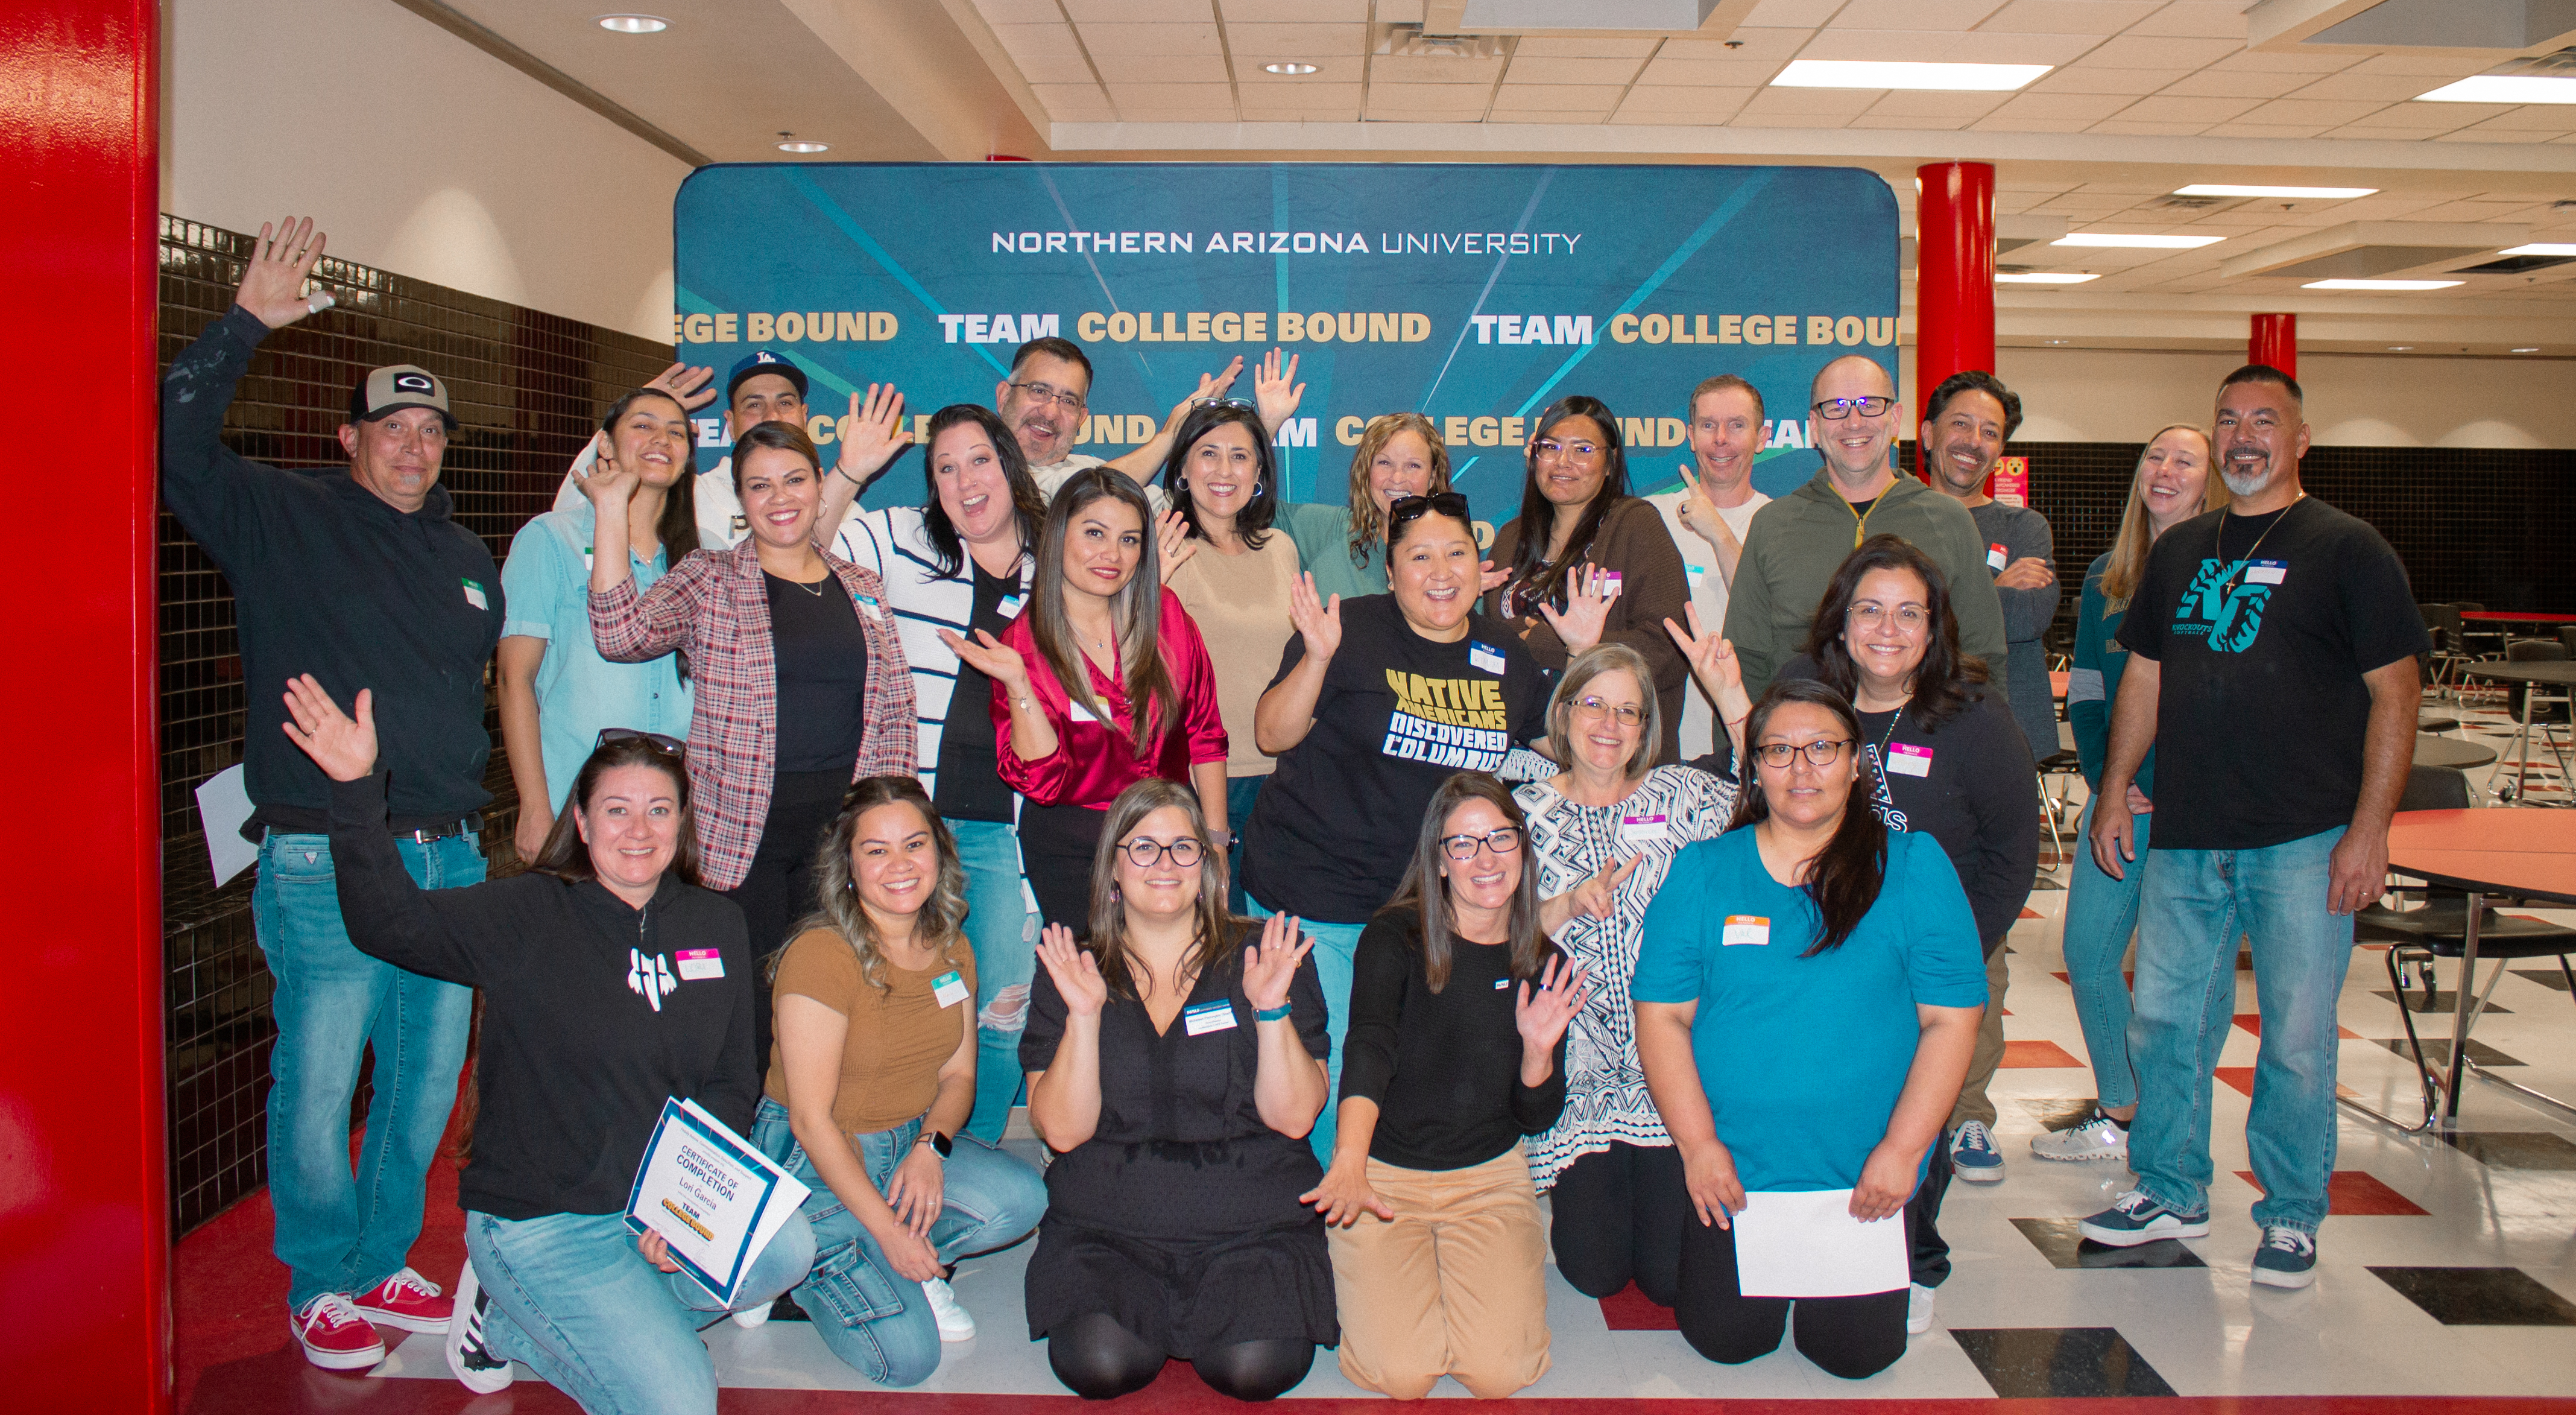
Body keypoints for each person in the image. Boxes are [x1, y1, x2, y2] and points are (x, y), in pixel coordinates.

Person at [275, 679, 812, 1412]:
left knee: (788, 1250)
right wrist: (356, 791)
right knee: (681, 1404)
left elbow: (729, 1080)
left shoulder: (717, 924)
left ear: (684, 822)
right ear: (583, 825)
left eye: (659, 810)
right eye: (616, 811)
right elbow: (387, 924)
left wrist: (681, 1203)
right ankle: (513, 1315)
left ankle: (588, 1326)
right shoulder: (529, 913)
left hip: (648, 1206)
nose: (638, 830)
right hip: (542, 1223)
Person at [160, 215, 499, 1365]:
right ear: (350, 437)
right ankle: (320, 1277)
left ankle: (383, 1259)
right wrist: (245, 321)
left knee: (422, 1080)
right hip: (321, 853)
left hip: (449, 859)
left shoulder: (465, 556)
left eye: (431, 432)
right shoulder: (282, 518)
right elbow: (175, 445)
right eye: (393, 427)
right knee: (318, 1077)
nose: (415, 447)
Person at [2083, 366, 2428, 1290]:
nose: (2242, 435)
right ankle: (2169, 1185)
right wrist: (2116, 787)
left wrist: (2370, 830)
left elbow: (2397, 692)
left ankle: (2289, 1213)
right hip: (2188, 834)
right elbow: (2146, 675)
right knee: (2165, 1024)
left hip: (2305, 837)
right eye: (2228, 419)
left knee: (2298, 1037)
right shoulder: (2183, 546)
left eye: (2263, 420)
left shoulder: (2348, 549)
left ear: (2301, 438)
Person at [1634, 680, 1986, 1379]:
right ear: (1754, 768)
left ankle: (1904, 1259)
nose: (1802, 769)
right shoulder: (1703, 872)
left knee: (1856, 1357)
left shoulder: (1914, 867)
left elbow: (1951, 1022)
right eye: (1779, 751)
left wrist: (1902, 1150)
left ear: (1856, 763)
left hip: (1861, 1177)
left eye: (1823, 748)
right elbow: (1663, 1018)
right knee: (1724, 1342)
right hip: (1735, 1175)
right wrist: (1698, 1147)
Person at [588, 420, 920, 1071]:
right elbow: (619, 635)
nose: (780, 497)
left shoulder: (860, 585)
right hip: (744, 839)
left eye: (795, 479)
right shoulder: (709, 577)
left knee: (831, 1001)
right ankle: (745, 1151)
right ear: (740, 500)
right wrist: (609, 509)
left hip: (843, 836)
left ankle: (817, 1146)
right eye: (759, 486)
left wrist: (898, 824)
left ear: (822, 487)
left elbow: (893, 713)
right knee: (747, 1011)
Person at [1769, 536, 2036, 1326]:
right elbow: (1753, 787)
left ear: (1934, 626)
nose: (1888, 628)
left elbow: (2012, 853)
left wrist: (1956, 961)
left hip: (1933, 961)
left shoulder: (1975, 717)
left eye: (1908, 612)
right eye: (1870, 609)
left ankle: (1917, 1256)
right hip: (1821, 954)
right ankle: (1818, 1235)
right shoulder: (1804, 696)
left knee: (1918, 1111)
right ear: (1840, 622)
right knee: (1824, 1100)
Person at [1241, 492, 1553, 1162]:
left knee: (1406, 1063)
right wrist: (1318, 658)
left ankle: (1378, 1193)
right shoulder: (1345, 629)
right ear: (1390, 574)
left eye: (1456, 553)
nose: (1440, 571)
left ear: (1479, 564)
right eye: (1419, 557)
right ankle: (1324, 1210)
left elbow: (1568, 739)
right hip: (1316, 894)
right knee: (1332, 1066)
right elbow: (1270, 733)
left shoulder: (1507, 657)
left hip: (1423, 914)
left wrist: (1587, 662)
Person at [1021, 779, 1336, 1401]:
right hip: (1109, 1224)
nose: (1165, 865)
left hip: (1252, 1221)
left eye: (1183, 848)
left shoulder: (1266, 954)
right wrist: (1084, 1018)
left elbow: (1296, 1118)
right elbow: (1061, 1130)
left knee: (1254, 1373)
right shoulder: (1071, 966)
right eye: (1143, 848)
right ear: (1113, 865)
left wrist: (1271, 1012)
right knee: (1101, 1368)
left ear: (1208, 865)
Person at [751, 776, 1049, 1384]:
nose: (900, 866)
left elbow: (960, 1075)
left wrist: (930, 1148)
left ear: (939, 851)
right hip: (814, 1159)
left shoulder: (950, 946)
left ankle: (853, 1252)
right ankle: (795, 1263)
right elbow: (811, 1121)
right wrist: (890, 1231)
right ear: (848, 864)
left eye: (914, 845)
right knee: (907, 1361)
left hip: (904, 1144)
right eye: (876, 850)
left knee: (1024, 1199)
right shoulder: (822, 953)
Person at [1302, 774, 1584, 1398]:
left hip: (1488, 1178)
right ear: (1439, 862)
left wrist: (1538, 1052)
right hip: (1385, 1176)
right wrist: (1349, 1163)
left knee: (1500, 1374)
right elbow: (1370, 1045)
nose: (1485, 859)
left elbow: (1536, 1117)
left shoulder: (1546, 961)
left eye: (1500, 839)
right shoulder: (1395, 937)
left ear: (1524, 848)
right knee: (1402, 1377)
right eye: (1463, 844)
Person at [817, 404, 1047, 1142]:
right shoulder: (898, 538)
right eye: (944, 468)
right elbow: (796, 548)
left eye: (978, 460)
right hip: (908, 827)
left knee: (1003, 1010)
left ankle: (961, 1164)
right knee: (891, 1003)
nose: (964, 481)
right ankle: (882, 1159)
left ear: (1010, 464)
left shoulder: (1060, 563)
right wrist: (849, 472)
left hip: (1010, 830)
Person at [1514, 643, 1744, 1309]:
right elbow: (1482, 936)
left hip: (1671, 1068)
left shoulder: (1686, 798)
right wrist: (1563, 905)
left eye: (1629, 711)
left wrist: (1730, 698)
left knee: (1670, 1279)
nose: (1609, 724)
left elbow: (1775, 794)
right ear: (1564, 714)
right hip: (1581, 1073)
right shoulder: (1521, 813)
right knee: (1596, 1272)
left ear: (1648, 728)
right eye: (1594, 704)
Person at [2035, 425, 2225, 1165]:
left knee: (2183, 987)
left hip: (2196, 812)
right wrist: (2105, 779)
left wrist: (2166, 785)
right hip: (2120, 807)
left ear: (2208, 483)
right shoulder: (2106, 578)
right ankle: (2121, 1108)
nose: (2166, 470)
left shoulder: (2225, 573)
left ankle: (2175, 1136)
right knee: (2087, 955)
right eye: (2155, 456)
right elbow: (2086, 691)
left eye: (2185, 461)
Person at [945, 467, 1229, 936]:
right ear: (1059, 537)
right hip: (1074, 850)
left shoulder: (1167, 616)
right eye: (1095, 533)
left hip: (1172, 841)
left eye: (1130, 540)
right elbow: (1040, 782)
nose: (1112, 555)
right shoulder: (1023, 643)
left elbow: (1206, 736)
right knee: (1098, 989)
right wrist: (1019, 687)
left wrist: (1215, 846)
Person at [1723, 354, 2007, 704]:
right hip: (1801, 747)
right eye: (1837, 406)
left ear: (1895, 418)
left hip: (1924, 741)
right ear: (1814, 426)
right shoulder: (1773, 524)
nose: (1853, 421)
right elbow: (1744, 661)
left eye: (1870, 405)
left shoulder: (1949, 520)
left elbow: (1985, 656)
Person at [499, 388, 699, 862]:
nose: (662, 440)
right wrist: (534, 806)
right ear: (605, 446)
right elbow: (514, 679)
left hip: (670, 814)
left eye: (676, 432)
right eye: (643, 426)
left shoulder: (702, 555)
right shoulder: (551, 539)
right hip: (575, 806)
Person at [1483, 395, 1694, 764]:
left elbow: (1668, 648)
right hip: (1519, 758)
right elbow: (1492, 646)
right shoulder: (1510, 537)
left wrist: (1547, 641)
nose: (1563, 462)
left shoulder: (1634, 525)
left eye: (1582, 449)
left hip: (1614, 760)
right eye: (1550, 448)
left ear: (1610, 463)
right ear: (1534, 457)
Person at [1158, 401, 1303, 912]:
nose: (1224, 471)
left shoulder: (1282, 549)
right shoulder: (1164, 547)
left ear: (1259, 473)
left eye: (1240, 456)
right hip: (1202, 783)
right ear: (1182, 469)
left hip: (1289, 778)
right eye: (1208, 454)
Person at [1921, 371, 2060, 761]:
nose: (1973, 441)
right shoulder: (1898, 522)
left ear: (2001, 451)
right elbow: (1894, 627)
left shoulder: (2025, 527)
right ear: (1929, 434)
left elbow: (2027, 619)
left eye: (1990, 432)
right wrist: (1995, 589)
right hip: (1916, 726)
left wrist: (1934, 605)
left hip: (2006, 734)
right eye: (1961, 424)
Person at [548, 349, 810, 548]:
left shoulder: (837, 503)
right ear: (730, 424)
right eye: (753, 405)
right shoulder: (690, 494)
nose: (772, 416)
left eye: (785, 403)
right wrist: (633, 411)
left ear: (804, 416)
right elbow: (572, 516)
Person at [1646, 375, 1774, 763]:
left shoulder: (1780, 522)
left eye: (1737, 425)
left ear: (1762, 437)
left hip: (1747, 731)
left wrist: (1720, 534)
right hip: (1659, 738)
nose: (1721, 439)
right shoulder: (1650, 516)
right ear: (1691, 435)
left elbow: (1767, 617)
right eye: (1708, 425)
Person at [998, 336, 1277, 510]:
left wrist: (1263, 428)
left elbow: (1200, 509)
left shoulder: (1087, 468)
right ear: (1004, 396)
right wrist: (1171, 434)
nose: (1050, 412)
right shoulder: (980, 474)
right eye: (1039, 391)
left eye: (1068, 401)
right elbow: (1085, 499)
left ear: (1082, 418)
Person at [1274, 411, 1453, 603]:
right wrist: (1269, 421)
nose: (1398, 478)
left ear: (1433, 478)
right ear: (1367, 471)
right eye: (1385, 463)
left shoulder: (1454, 556)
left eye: (1413, 466)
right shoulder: (1330, 531)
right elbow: (1249, 510)